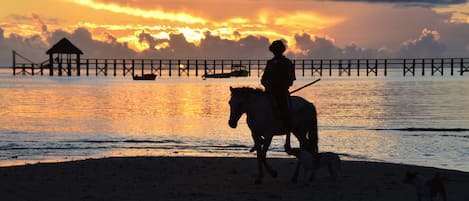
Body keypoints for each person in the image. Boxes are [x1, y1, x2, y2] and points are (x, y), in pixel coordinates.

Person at [261, 40, 296, 132]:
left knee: (283, 108)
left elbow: (290, 79)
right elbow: (264, 78)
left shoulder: (287, 63)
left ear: (281, 50)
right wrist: (267, 85)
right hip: (268, 91)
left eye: (277, 50)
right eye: (274, 50)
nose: (276, 52)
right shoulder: (270, 63)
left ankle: (287, 126)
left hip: (281, 92)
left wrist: (280, 86)